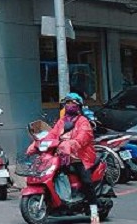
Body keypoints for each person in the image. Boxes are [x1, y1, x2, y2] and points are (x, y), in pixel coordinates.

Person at [33, 93, 99, 224]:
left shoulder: (83, 121)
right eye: (67, 103)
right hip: (62, 156)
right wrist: (38, 144)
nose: (69, 106)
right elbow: (52, 135)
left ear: (78, 106)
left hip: (80, 158)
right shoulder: (61, 121)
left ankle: (94, 211)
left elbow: (83, 137)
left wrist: (71, 144)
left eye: (72, 103)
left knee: (86, 181)